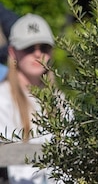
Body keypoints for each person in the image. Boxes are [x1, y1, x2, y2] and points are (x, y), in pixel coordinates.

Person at [1, 14, 60, 184]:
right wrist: (59, 153)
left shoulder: (61, 101)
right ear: (12, 52)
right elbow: (5, 154)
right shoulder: (2, 98)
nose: (37, 54)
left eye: (44, 48)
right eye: (28, 48)